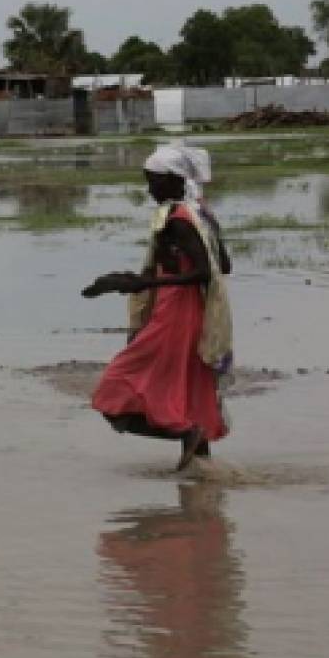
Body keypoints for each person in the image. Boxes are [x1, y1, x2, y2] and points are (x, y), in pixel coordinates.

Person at [83, 145, 234, 472]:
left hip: (174, 315)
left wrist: (147, 285)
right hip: (196, 313)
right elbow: (224, 263)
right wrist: (140, 278)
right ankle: (200, 490)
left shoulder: (179, 220)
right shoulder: (200, 213)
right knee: (189, 390)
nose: (149, 189)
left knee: (113, 391)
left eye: (153, 181)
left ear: (172, 180)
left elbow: (206, 270)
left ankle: (185, 431)